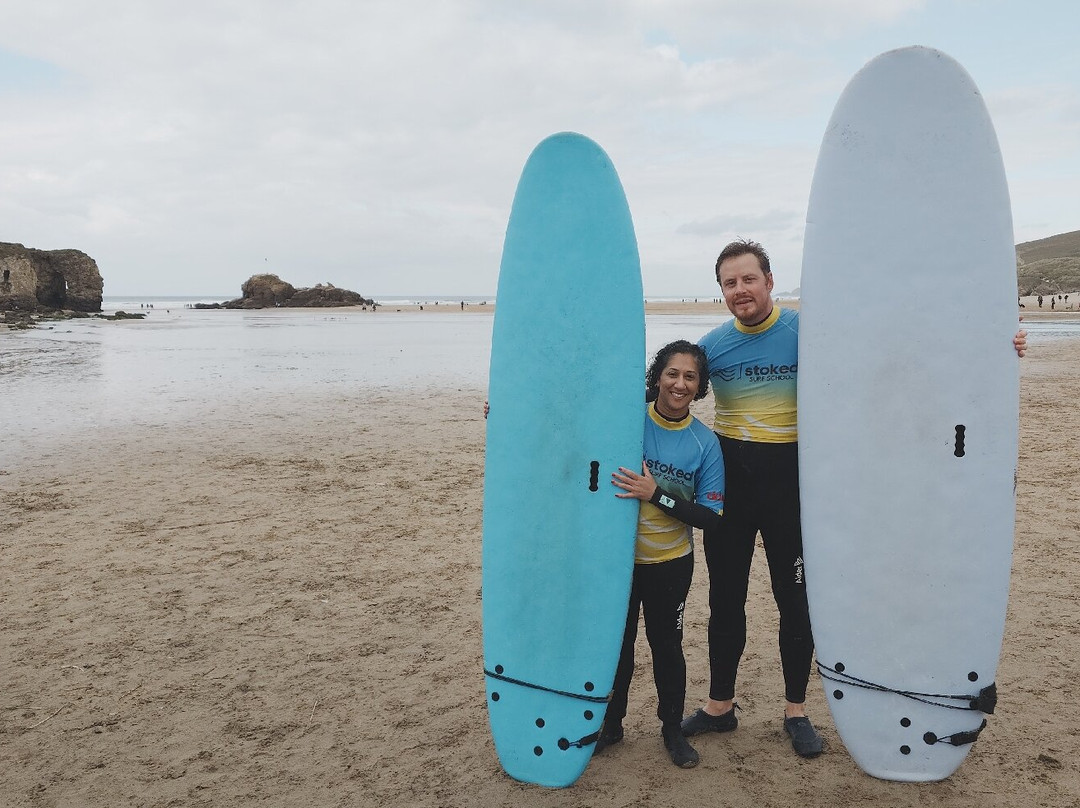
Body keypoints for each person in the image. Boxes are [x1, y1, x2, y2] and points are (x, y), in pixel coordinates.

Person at [682, 239, 1028, 758]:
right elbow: (667, 384)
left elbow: (897, 350)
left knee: (794, 598)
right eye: (729, 283)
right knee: (724, 600)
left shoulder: (810, 333)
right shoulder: (712, 348)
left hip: (792, 486)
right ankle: (719, 707)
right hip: (732, 484)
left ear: (770, 281)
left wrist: (999, 347)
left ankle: (796, 711)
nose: (740, 291)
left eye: (748, 279)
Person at [600, 340, 726, 769]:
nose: (680, 383)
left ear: (700, 386)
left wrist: (658, 496)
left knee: (666, 645)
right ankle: (611, 725)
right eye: (673, 373)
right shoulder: (626, 420)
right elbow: (569, 425)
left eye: (690, 376)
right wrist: (503, 411)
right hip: (617, 561)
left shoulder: (704, 443)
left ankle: (672, 728)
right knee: (618, 646)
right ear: (657, 377)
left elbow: (710, 517)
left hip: (670, 563)